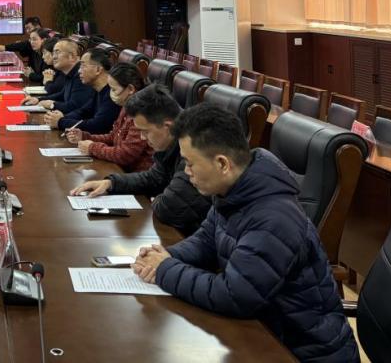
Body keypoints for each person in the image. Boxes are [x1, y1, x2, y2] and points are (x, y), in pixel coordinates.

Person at [132, 104, 360, 363]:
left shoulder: (273, 219)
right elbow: (206, 241)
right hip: (264, 334)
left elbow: (235, 295)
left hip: (302, 352)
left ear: (222, 164)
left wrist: (165, 269)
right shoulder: (235, 191)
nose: (186, 171)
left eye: (191, 163)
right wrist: (164, 257)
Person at [71, 85, 211, 236]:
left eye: (145, 131)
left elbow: (170, 209)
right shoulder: (171, 141)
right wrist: (111, 183)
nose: (143, 138)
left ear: (167, 126)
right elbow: (154, 178)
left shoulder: (194, 150)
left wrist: (158, 198)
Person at [64, 62, 153, 173]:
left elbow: (125, 155)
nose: (111, 94)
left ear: (130, 89)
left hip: (135, 174)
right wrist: (84, 136)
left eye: (114, 89)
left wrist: (92, 147)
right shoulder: (126, 105)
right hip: (120, 170)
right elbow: (113, 137)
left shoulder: (141, 113)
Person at [44, 48, 118, 134]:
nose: (79, 71)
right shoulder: (98, 90)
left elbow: (97, 126)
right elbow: (83, 111)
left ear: (98, 70)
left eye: (83, 66)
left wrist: (60, 122)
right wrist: (62, 117)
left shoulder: (112, 93)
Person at [26, 39, 92, 115]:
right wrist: (38, 99)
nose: (53, 57)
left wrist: (52, 105)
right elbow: (61, 95)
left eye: (57, 52)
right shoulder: (70, 72)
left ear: (71, 56)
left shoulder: (81, 74)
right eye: (53, 53)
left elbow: (75, 106)